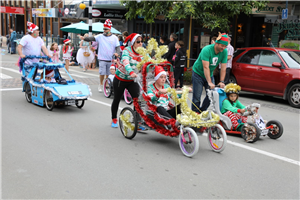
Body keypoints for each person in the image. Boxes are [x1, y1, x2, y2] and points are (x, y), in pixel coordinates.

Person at [110, 33, 144, 128]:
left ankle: (137, 122)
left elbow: (149, 61)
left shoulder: (143, 52)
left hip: (132, 80)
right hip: (120, 79)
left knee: (137, 100)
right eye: (138, 42)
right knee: (117, 99)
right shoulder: (126, 50)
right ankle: (114, 119)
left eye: (141, 41)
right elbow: (125, 62)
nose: (140, 43)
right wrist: (130, 71)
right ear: (133, 43)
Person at [191, 33, 228, 113]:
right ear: (216, 43)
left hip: (209, 73)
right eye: (222, 46)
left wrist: (222, 81)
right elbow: (206, 67)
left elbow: (223, 67)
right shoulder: (207, 49)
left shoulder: (224, 52)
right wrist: (209, 82)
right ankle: (194, 114)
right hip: (198, 73)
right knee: (197, 97)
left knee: (211, 95)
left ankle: (202, 111)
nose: (223, 48)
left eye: (225, 46)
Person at [83, 19, 120, 92]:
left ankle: (107, 84)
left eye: (105, 29)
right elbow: (92, 38)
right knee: (102, 72)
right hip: (102, 58)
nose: (104, 30)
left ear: (109, 29)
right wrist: (84, 38)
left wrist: (117, 53)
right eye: (103, 29)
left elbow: (118, 47)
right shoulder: (100, 36)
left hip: (110, 58)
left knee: (109, 73)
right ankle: (100, 84)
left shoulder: (115, 38)